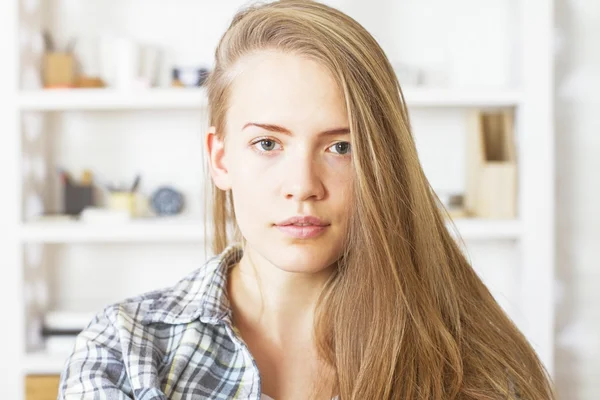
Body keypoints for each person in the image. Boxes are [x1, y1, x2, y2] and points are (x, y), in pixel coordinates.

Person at [58, 1, 556, 399]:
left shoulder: (468, 363)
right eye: (268, 144)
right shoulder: (126, 350)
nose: (303, 185)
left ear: (384, 165)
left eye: (341, 147)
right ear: (221, 158)